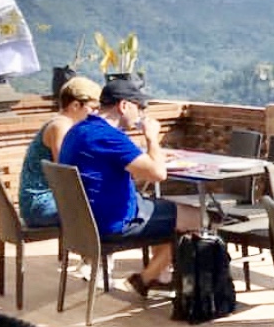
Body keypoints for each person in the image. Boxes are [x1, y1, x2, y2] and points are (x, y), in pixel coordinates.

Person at [57, 77, 202, 297]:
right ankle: (148, 279)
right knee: (199, 218)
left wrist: (151, 156)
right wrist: (153, 138)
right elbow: (158, 174)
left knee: (167, 210)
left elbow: (123, 162)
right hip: (114, 222)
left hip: (82, 224)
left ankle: (156, 278)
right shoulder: (109, 136)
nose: (141, 114)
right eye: (139, 107)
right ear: (123, 105)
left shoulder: (78, 131)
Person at [19, 75, 102, 227]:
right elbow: (65, 173)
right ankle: (96, 250)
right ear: (76, 105)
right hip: (41, 206)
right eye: (93, 108)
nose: (96, 114)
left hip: (43, 202)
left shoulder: (63, 124)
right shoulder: (61, 127)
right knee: (103, 211)